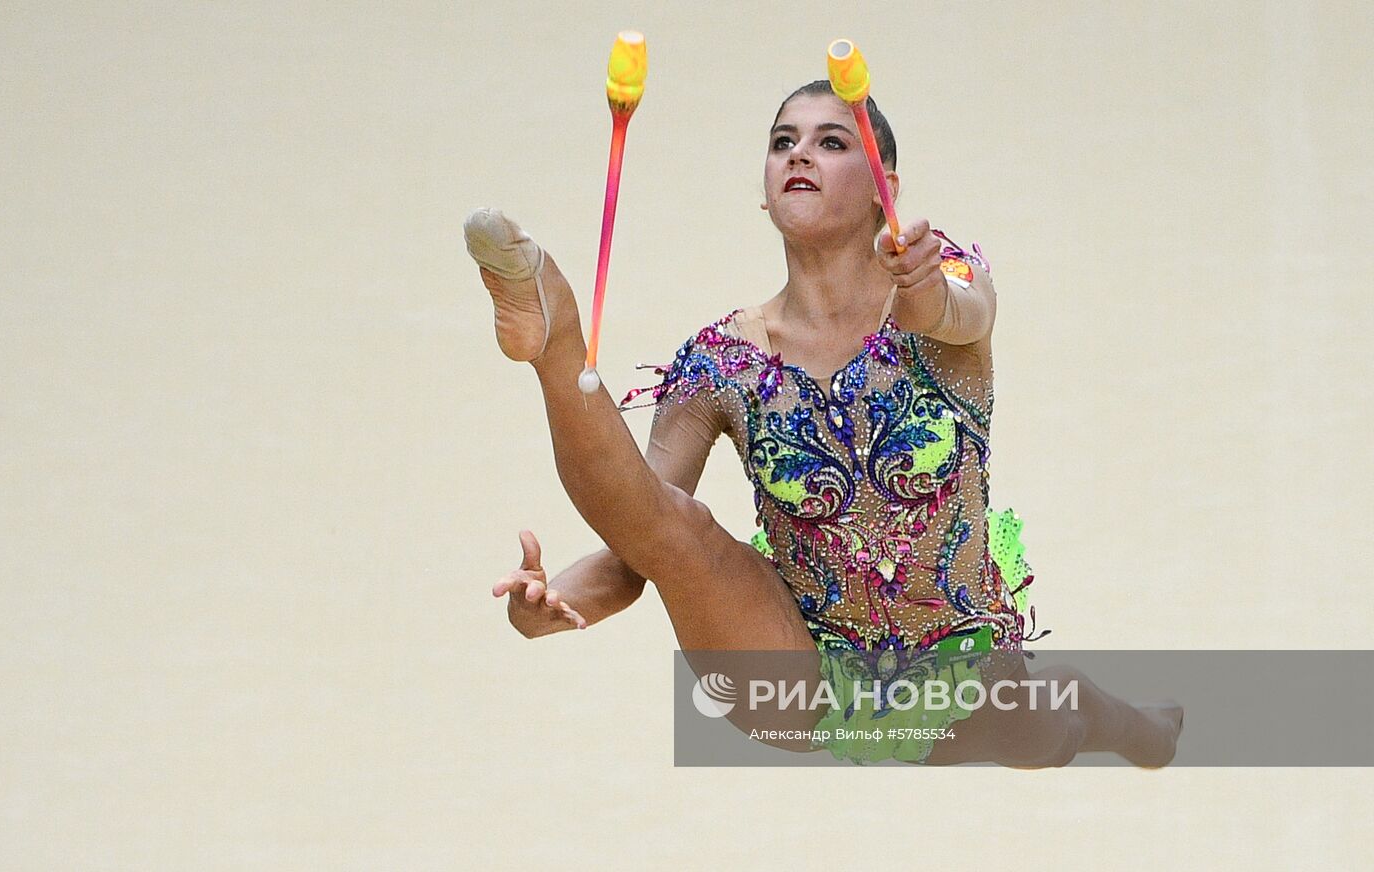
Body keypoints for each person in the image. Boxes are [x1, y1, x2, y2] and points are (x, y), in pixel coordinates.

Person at [467, 80, 1182, 767]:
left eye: (831, 142)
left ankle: (1114, 721)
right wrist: (556, 601)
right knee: (678, 527)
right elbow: (639, 541)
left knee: (1040, 732)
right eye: (784, 142)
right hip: (795, 669)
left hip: (961, 660)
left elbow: (957, 315)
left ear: (884, 189)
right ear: (767, 187)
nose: (800, 154)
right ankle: (554, 341)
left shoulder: (943, 285)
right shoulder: (721, 362)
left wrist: (925, 288)